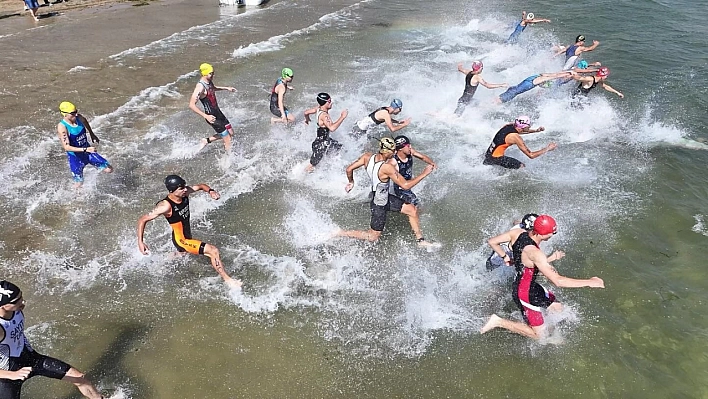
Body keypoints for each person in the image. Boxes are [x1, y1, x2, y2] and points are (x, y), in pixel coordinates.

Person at [480, 215, 605, 340]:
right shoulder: (535, 253)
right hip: (524, 293)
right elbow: (558, 281)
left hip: (530, 285)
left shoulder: (518, 233)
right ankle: (498, 321)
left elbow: (492, 241)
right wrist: (589, 282)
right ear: (542, 234)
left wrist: (505, 257)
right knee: (540, 336)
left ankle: (546, 328)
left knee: (558, 308)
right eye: (552, 233)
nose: (552, 235)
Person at [0, 280, 104, 399]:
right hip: (7, 376)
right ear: (3, 305)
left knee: (80, 378)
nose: (23, 302)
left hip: (33, 359)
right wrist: (13, 374)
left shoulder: (16, 309)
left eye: (21, 296)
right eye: (16, 301)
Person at [136, 175, 242, 288]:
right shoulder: (165, 206)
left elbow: (201, 186)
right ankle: (228, 280)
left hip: (186, 235)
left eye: (184, 186)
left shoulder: (184, 193)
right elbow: (142, 220)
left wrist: (211, 191)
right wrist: (140, 242)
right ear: (172, 191)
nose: (185, 189)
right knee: (213, 251)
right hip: (181, 239)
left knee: (183, 254)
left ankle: (162, 261)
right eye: (181, 188)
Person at [335, 138, 437, 247]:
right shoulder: (387, 168)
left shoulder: (367, 157)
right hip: (379, 203)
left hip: (383, 196)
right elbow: (405, 185)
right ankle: (340, 233)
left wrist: (351, 182)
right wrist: (424, 173)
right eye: (393, 151)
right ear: (387, 152)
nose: (394, 153)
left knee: (412, 210)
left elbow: (349, 169)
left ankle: (421, 241)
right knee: (372, 237)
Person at [56, 101, 114, 189]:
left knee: (109, 169)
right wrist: (85, 149)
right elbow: (66, 147)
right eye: (72, 113)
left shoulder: (78, 117)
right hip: (76, 157)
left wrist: (92, 134)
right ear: (65, 114)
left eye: (76, 111)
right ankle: (73, 197)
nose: (76, 114)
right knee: (79, 183)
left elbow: (85, 121)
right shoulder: (62, 127)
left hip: (88, 152)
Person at [189, 63, 237, 151]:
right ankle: (228, 161)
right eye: (211, 73)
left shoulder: (209, 81)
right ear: (204, 73)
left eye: (213, 73)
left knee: (231, 132)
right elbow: (191, 105)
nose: (213, 75)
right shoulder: (200, 87)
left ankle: (206, 140)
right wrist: (206, 116)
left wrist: (226, 88)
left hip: (218, 112)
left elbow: (213, 88)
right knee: (228, 139)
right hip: (211, 117)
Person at [483, 116, 556, 169]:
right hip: (495, 159)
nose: (530, 127)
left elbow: (523, 130)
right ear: (522, 128)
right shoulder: (515, 137)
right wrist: (548, 148)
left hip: (488, 155)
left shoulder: (509, 126)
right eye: (528, 126)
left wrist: (536, 130)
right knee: (522, 166)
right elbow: (531, 155)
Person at [303, 93, 348, 172]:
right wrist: (342, 117)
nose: (331, 103)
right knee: (311, 166)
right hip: (321, 145)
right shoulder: (324, 116)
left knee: (339, 148)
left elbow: (306, 112)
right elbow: (332, 128)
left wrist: (307, 120)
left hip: (324, 141)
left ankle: (330, 166)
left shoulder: (318, 108)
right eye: (329, 101)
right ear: (324, 103)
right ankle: (301, 177)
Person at [389, 135, 437, 206]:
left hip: (408, 185)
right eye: (408, 146)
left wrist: (432, 163)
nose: (410, 147)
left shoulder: (410, 152)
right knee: (416, 204)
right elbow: (403, 184)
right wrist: (424, 173)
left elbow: (423, 157)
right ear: (401, 149)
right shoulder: (393, 162)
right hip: (401, 189)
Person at [495, 72, 571, 103]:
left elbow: (552, 74)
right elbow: (553, 77)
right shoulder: (538, 80)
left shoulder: (537, 76)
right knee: (494, 103)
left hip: (512, 90)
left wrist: (566, 72)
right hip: (512, 93)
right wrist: (565, 75)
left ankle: (483, 107)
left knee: (493, 102)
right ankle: (483, 109)